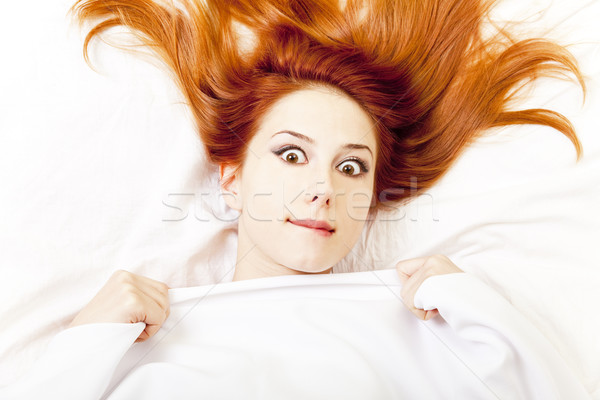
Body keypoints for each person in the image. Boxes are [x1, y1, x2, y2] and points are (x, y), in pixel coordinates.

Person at [67, 0, 584, 344]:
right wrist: (83, 342)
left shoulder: (430, 329)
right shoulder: (139, 333)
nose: (323, 190)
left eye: (351, 166)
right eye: (292, 155)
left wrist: (482, 314)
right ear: (232, 181)